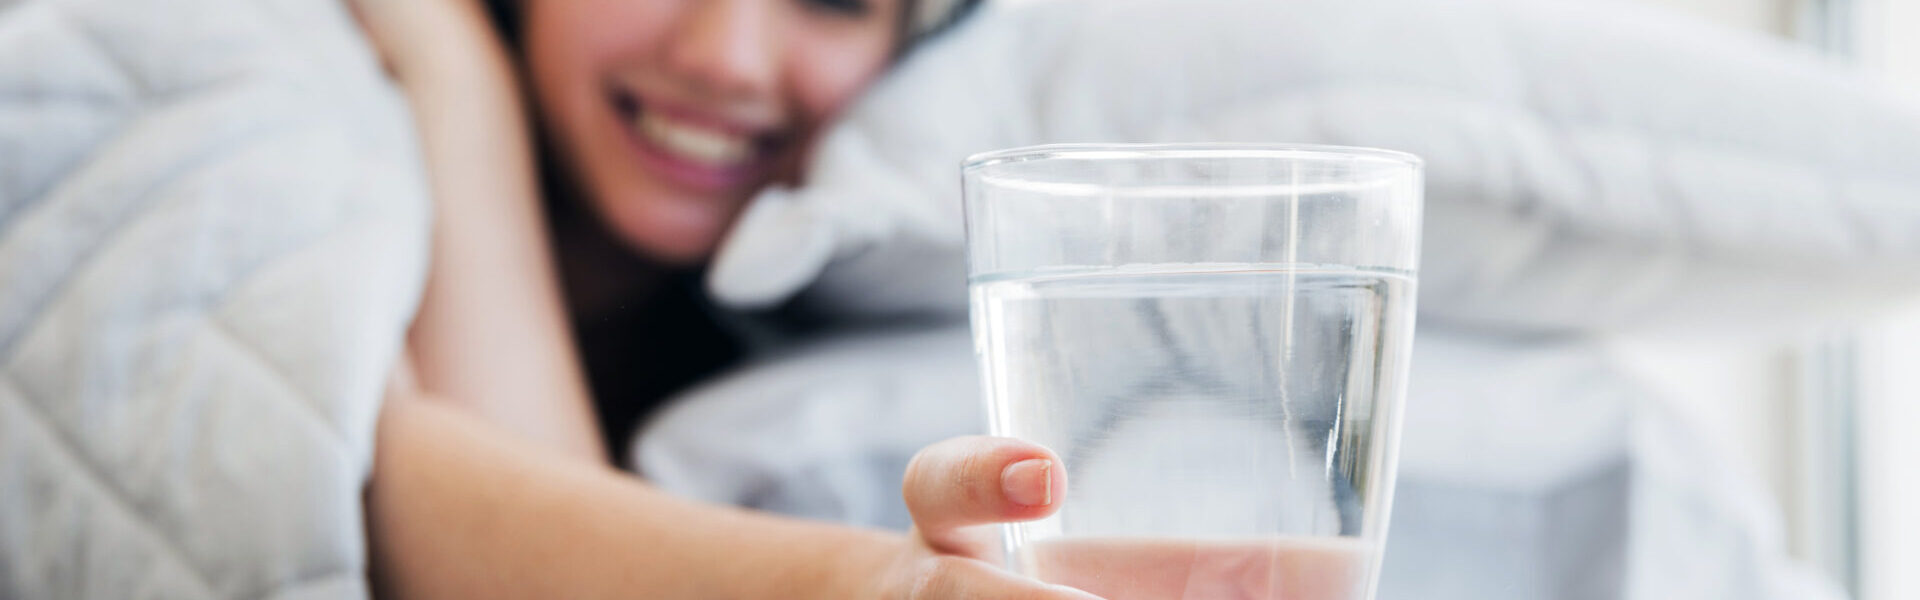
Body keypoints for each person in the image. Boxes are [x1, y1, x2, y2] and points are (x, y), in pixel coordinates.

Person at [346, 0, 1100, 597]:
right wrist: (458, 82)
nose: (726, 59)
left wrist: (457, 76)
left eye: (831, 0)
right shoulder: (323, 141)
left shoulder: (828, 370)